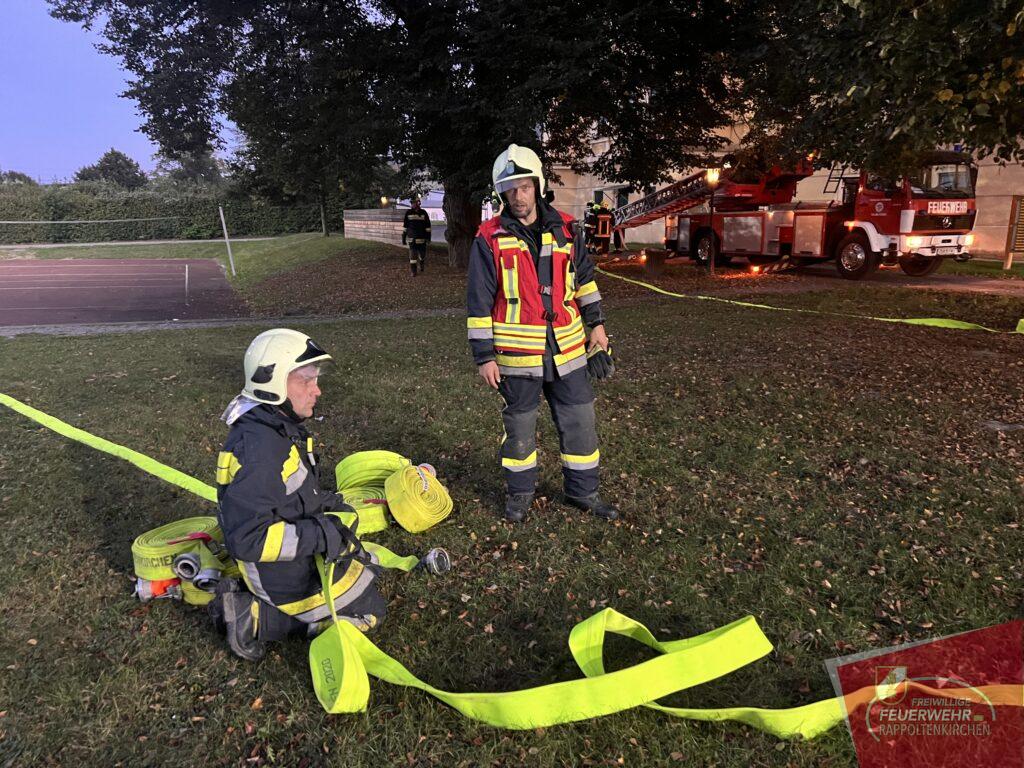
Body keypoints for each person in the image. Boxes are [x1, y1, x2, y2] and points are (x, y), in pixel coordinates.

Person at [209, 329, 386, 661]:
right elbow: (248, 540)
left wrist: (330, 506)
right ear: (271, 382)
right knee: (371, 612)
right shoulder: (261, 453)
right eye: (306, 380)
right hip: (280, 576)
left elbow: (292, 493)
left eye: (315, 379)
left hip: (294, 559)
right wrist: (321, 535)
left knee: (369, 570)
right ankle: (256, 617)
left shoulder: (274, 428)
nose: (316, 390)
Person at [466, 144, 619, 524]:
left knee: (580, 422)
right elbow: (479, 300)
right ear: (501, 193)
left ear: (537, 185)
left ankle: (583, 493)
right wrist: (484, 357)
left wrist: (597, 325)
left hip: (568, 349)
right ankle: (520, 495)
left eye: (524, 187)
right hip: (516, 355)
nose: (518, 196)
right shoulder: (489, 238)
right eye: (510, 189)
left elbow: (585, 280)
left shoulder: (566, 229)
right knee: (519, 430)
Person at [403, 196, 432, 276]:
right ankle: (413, 271)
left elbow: (428, 226)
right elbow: (405, 226)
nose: (412, 204)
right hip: (412, 239)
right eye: (412, 203)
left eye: (414, 203)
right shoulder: (408, 212)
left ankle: (422, 261)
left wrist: (428, 238)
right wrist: (403, 238)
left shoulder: (423, 213)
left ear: (418, 203)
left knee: (422, 255)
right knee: (413, 256)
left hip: (422, 238)